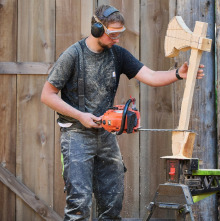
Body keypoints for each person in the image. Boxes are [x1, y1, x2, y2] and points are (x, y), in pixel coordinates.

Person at [41, 4, 204, 220]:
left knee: (112, 203)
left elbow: (152, 76)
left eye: (120, 33)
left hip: (106, 136)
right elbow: (47, 95)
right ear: (97, 29)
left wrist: (178, 74)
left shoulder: (117, 55)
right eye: (113, 34)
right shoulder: (73, 55)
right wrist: (81, 115)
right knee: (79, 205)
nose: (117, 39)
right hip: (76, 135)